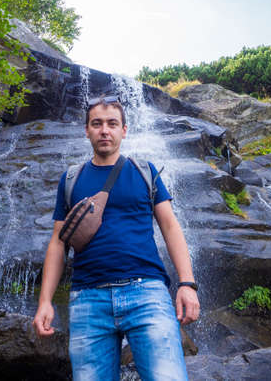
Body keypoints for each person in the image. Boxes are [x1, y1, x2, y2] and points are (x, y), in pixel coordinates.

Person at [33, 96, 200, 380]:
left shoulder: (144, 171)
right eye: (96, 124)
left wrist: (187, 283)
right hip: (88, 299)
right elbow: (58, 242)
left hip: (147, 294)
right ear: (86, 130)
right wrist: (45, 301)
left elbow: (170, 226)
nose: (104, 130)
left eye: (112, 123)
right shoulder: (71, 179)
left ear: (124, 130)